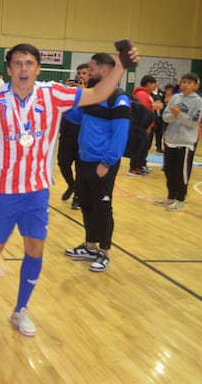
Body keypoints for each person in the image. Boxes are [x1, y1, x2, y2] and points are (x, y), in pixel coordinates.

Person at [0, 43, 136, 336]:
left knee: (35, 248)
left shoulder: (53, 94)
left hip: (36, 191)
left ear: (38, 68)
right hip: (3, 190)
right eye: (18, 63)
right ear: (9, 69)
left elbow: (98, 93)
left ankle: (21, 309)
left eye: (29, 63)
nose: (23, 69)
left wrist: (121, 65)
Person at [64, 52, 132, 272]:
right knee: (87, 204)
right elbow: (78, 118)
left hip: (102, 163)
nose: (88, 73)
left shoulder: (118, 98)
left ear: (104, 71)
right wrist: (64, 105)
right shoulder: (92, 95)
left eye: (91, 69)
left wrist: (108, 162)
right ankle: (90, 245)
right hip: (84, 160)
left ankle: (104, 252)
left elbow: (120, 135)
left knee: (103, 208)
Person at [153, 73, 202, 211]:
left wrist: (178, 115)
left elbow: (193, 122)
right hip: (170, 140)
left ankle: (180, 199)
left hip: (185, 142)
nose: (186, 85)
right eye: (183, 82)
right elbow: (165, 117)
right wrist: (173, 116)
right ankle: (170, 197)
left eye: (189, 82)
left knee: (181, 173)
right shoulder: (175, 98)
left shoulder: (198, 101)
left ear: (196, 86)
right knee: (169, 171)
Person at [58, 63, 89, 208]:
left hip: (83, 135)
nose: (81, 76)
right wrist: (66, 90)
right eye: (79, 73)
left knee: (80, 168)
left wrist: (84, 92)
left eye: (84, 73)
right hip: (67, 133)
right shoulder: (70, 91)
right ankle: (72, 185)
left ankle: (78, 196)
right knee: (63, 163)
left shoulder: (93, 92)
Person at [128, 75, 164, 176]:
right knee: (139, 148)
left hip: (145, 126)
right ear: (148, 84)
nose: (155, 86)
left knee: (144, 148)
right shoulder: (142, 94)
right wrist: (146, 125)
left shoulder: (146, 94)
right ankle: (134, 168)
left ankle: (140, 166)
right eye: (154, 84)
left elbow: (148, 108)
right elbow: (144, 112)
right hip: (142, 127)